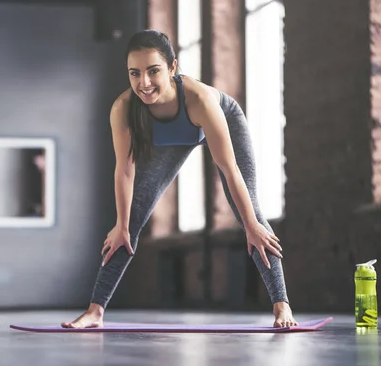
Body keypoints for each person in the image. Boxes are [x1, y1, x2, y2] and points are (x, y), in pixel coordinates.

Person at [61, 29, 298, 329]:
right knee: (128, 222)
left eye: (153, 71)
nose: (143, 83)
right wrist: (121, 225)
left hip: (222, 121)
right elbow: (124, 171)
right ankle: (95, 311)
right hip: (176, 139)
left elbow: (229, 169)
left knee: (251, 215)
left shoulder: (200, 100)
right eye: (135, 74)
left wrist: (250, 226)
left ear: (173, 67)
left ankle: (282, 306)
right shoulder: (123, 109)